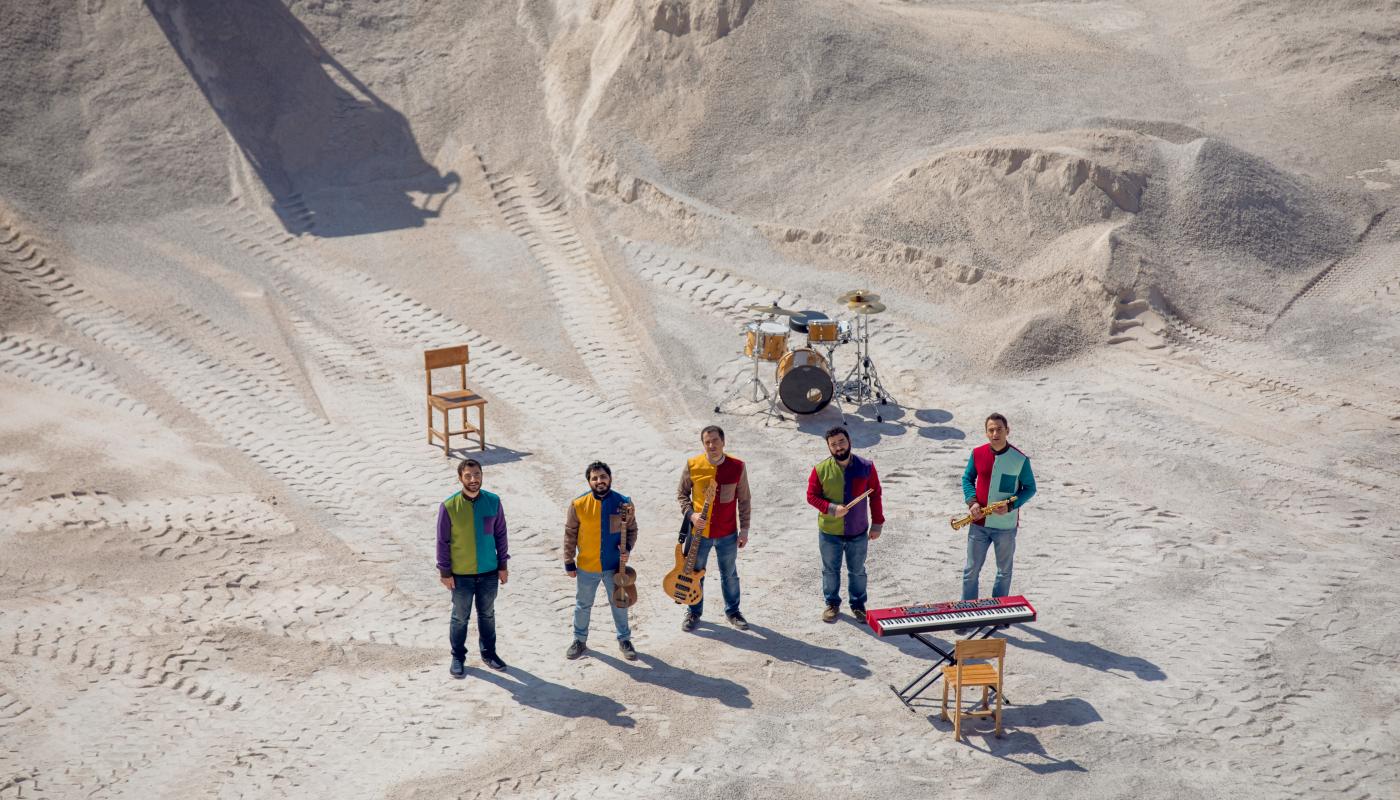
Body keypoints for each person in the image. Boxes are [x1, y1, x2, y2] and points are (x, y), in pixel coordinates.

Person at [436, 458, 509, 677]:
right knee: (460, 617)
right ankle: (458, 657)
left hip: (488, 571)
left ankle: (489, 654)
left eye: (476, 474)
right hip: (461, 575)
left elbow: (501, 535)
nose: (473, 479)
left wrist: (503, 565)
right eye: (468, 475)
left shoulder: (493, 502)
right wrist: (444, 572)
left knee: (487, 615)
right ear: (460, 478)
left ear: (482, 475)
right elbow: (442, 542)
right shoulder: (449, 506)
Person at [676, 425, 752, 632]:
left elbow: (744, 500)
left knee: (729, 573)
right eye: (707, 442)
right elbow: (682, 495)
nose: (711, 445)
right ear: (703, 444)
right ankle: (693, 612)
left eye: (715, 440)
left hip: (727, 533)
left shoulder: (737, 466)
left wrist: (744, 530)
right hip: (699, 534)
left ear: (723, 441)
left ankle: (733, 612)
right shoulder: (693, 465)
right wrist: (692, 514)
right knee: (695, 572)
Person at [806, 426, 884, 623]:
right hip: (829, 531)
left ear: (849, 441)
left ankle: (858, 605)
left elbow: (875, 495)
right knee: (830, 570)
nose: (838, 447)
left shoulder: (866, 466)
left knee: (857, 570)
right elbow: (811, 497)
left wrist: (877, 523)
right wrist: (832, 508)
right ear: (829, 448)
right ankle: (832, 604)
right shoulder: (820, 469)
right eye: (833, 445)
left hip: (858, 530)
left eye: (841, 442)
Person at [563, 461, 640, 661]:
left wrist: (628, 548)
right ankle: (579, 640)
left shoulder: (624, 503)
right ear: (589, 481)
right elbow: (570, 534)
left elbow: (632, 529)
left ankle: (624, 639)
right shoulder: (578, 504)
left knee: (619, 603)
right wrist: (568, 560)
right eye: (594, 478)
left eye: (603, 477)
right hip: (587, 566)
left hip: (615, 567)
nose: (599, 481)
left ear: (610, 478)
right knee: (583, 605)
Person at [961, 413, 1037, 603]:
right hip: (978, 522)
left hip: (1005, 527)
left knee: (1004, 572)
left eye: (999, 429)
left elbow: (1030, 488)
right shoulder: (977, 453)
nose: (995, 433)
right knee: (971, 571)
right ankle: (967, 613)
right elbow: (967, 479)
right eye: (991, 430)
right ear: (986, 433)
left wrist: (1011, 504)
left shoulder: (1020, 459)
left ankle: (999, 612)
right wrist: (972, 502)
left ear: (1007, 431)